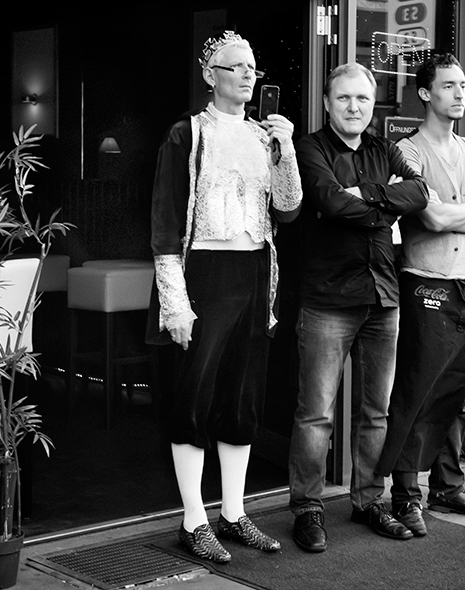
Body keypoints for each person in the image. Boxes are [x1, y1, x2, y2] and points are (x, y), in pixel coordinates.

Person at [149, 31, 302, 562]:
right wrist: (175, 301)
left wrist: (286, 153)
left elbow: (288, 209)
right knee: (194, 394)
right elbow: (166, 222)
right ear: (210, 75)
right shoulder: (185, 133)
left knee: (242, 396)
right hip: (204, 273)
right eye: (234, 66)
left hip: (255, 270)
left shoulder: (266, 136)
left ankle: (234, 514)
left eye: (252, 67)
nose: (247, 74)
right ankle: (193, 520)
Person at [289, 62, 430, 553]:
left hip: (382, 298)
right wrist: (381, 206)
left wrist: (367, 196)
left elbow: (419, 192)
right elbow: (328, 202)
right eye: (344, 98)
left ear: (373, 105)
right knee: (316, 414)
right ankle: (307, 508)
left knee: (376, 412)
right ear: (328, 103)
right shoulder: (310, 148)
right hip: (328, 299)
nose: (354, 107)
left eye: (363, 100)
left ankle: (369, 500)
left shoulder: (382, 148)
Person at [375, 53, 465, 537]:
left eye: (464, 86)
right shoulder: (406, 152)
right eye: (449, 86)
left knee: (455, 390)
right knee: (417, 390)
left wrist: (461, 209)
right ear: (426, 93)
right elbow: (428, 218)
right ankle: (406, 495)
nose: (460, 94)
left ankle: (447, 487)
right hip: (425, 280)